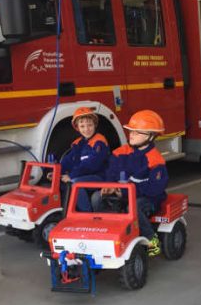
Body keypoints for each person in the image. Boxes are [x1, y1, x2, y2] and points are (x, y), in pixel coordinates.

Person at [93, 110, 168, 257]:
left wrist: (127, 191)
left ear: (151, 136)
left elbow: (155, 188)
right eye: (131, 131)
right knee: (96, 197)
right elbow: (111, 172)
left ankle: (152, 240)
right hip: (122, 193)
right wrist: (109, 186)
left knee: (134, 206)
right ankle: (108, 234)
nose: (131, 135)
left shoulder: (155, 160)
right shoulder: (120, 152)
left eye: (137, 132)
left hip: (148, 198)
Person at [58, 107, 109, 211]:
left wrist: (71, 175)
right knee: (60, 183)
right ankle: (65, 211)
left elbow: (92, 165)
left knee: (75, 183)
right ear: (77, 128)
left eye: (90, 125)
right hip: (83, 176)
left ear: (95, 125)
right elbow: (68, 161)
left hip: (100, 177)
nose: (86, 129)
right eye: (82, 126)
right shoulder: (78, 143)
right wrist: (55, 172)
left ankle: (87, 215)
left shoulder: (99, 142)